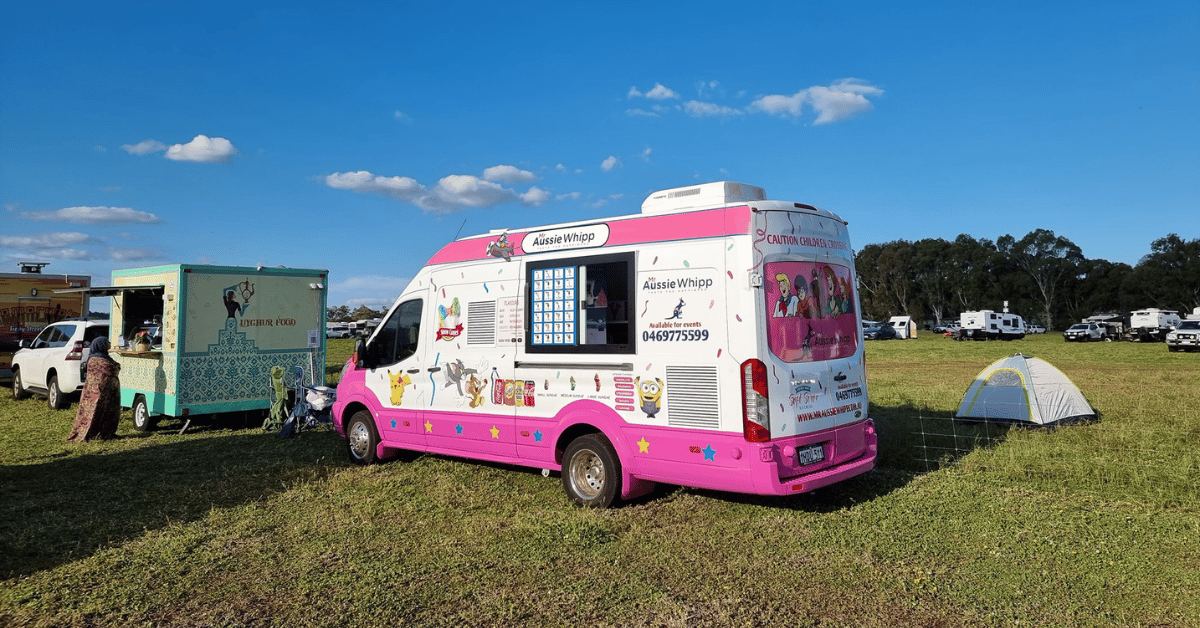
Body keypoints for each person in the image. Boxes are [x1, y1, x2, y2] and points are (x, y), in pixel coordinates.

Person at [67, 337, 122, 442]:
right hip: (99, 393)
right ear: (100, 345)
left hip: (101, 392)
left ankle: (104, 433)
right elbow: (113, 369)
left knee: (105, 414)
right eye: (107, 343)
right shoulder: (98, 359)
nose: (109, 344)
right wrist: (117, 366)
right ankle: (93, 434)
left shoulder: (99, 357)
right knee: (96, 413)